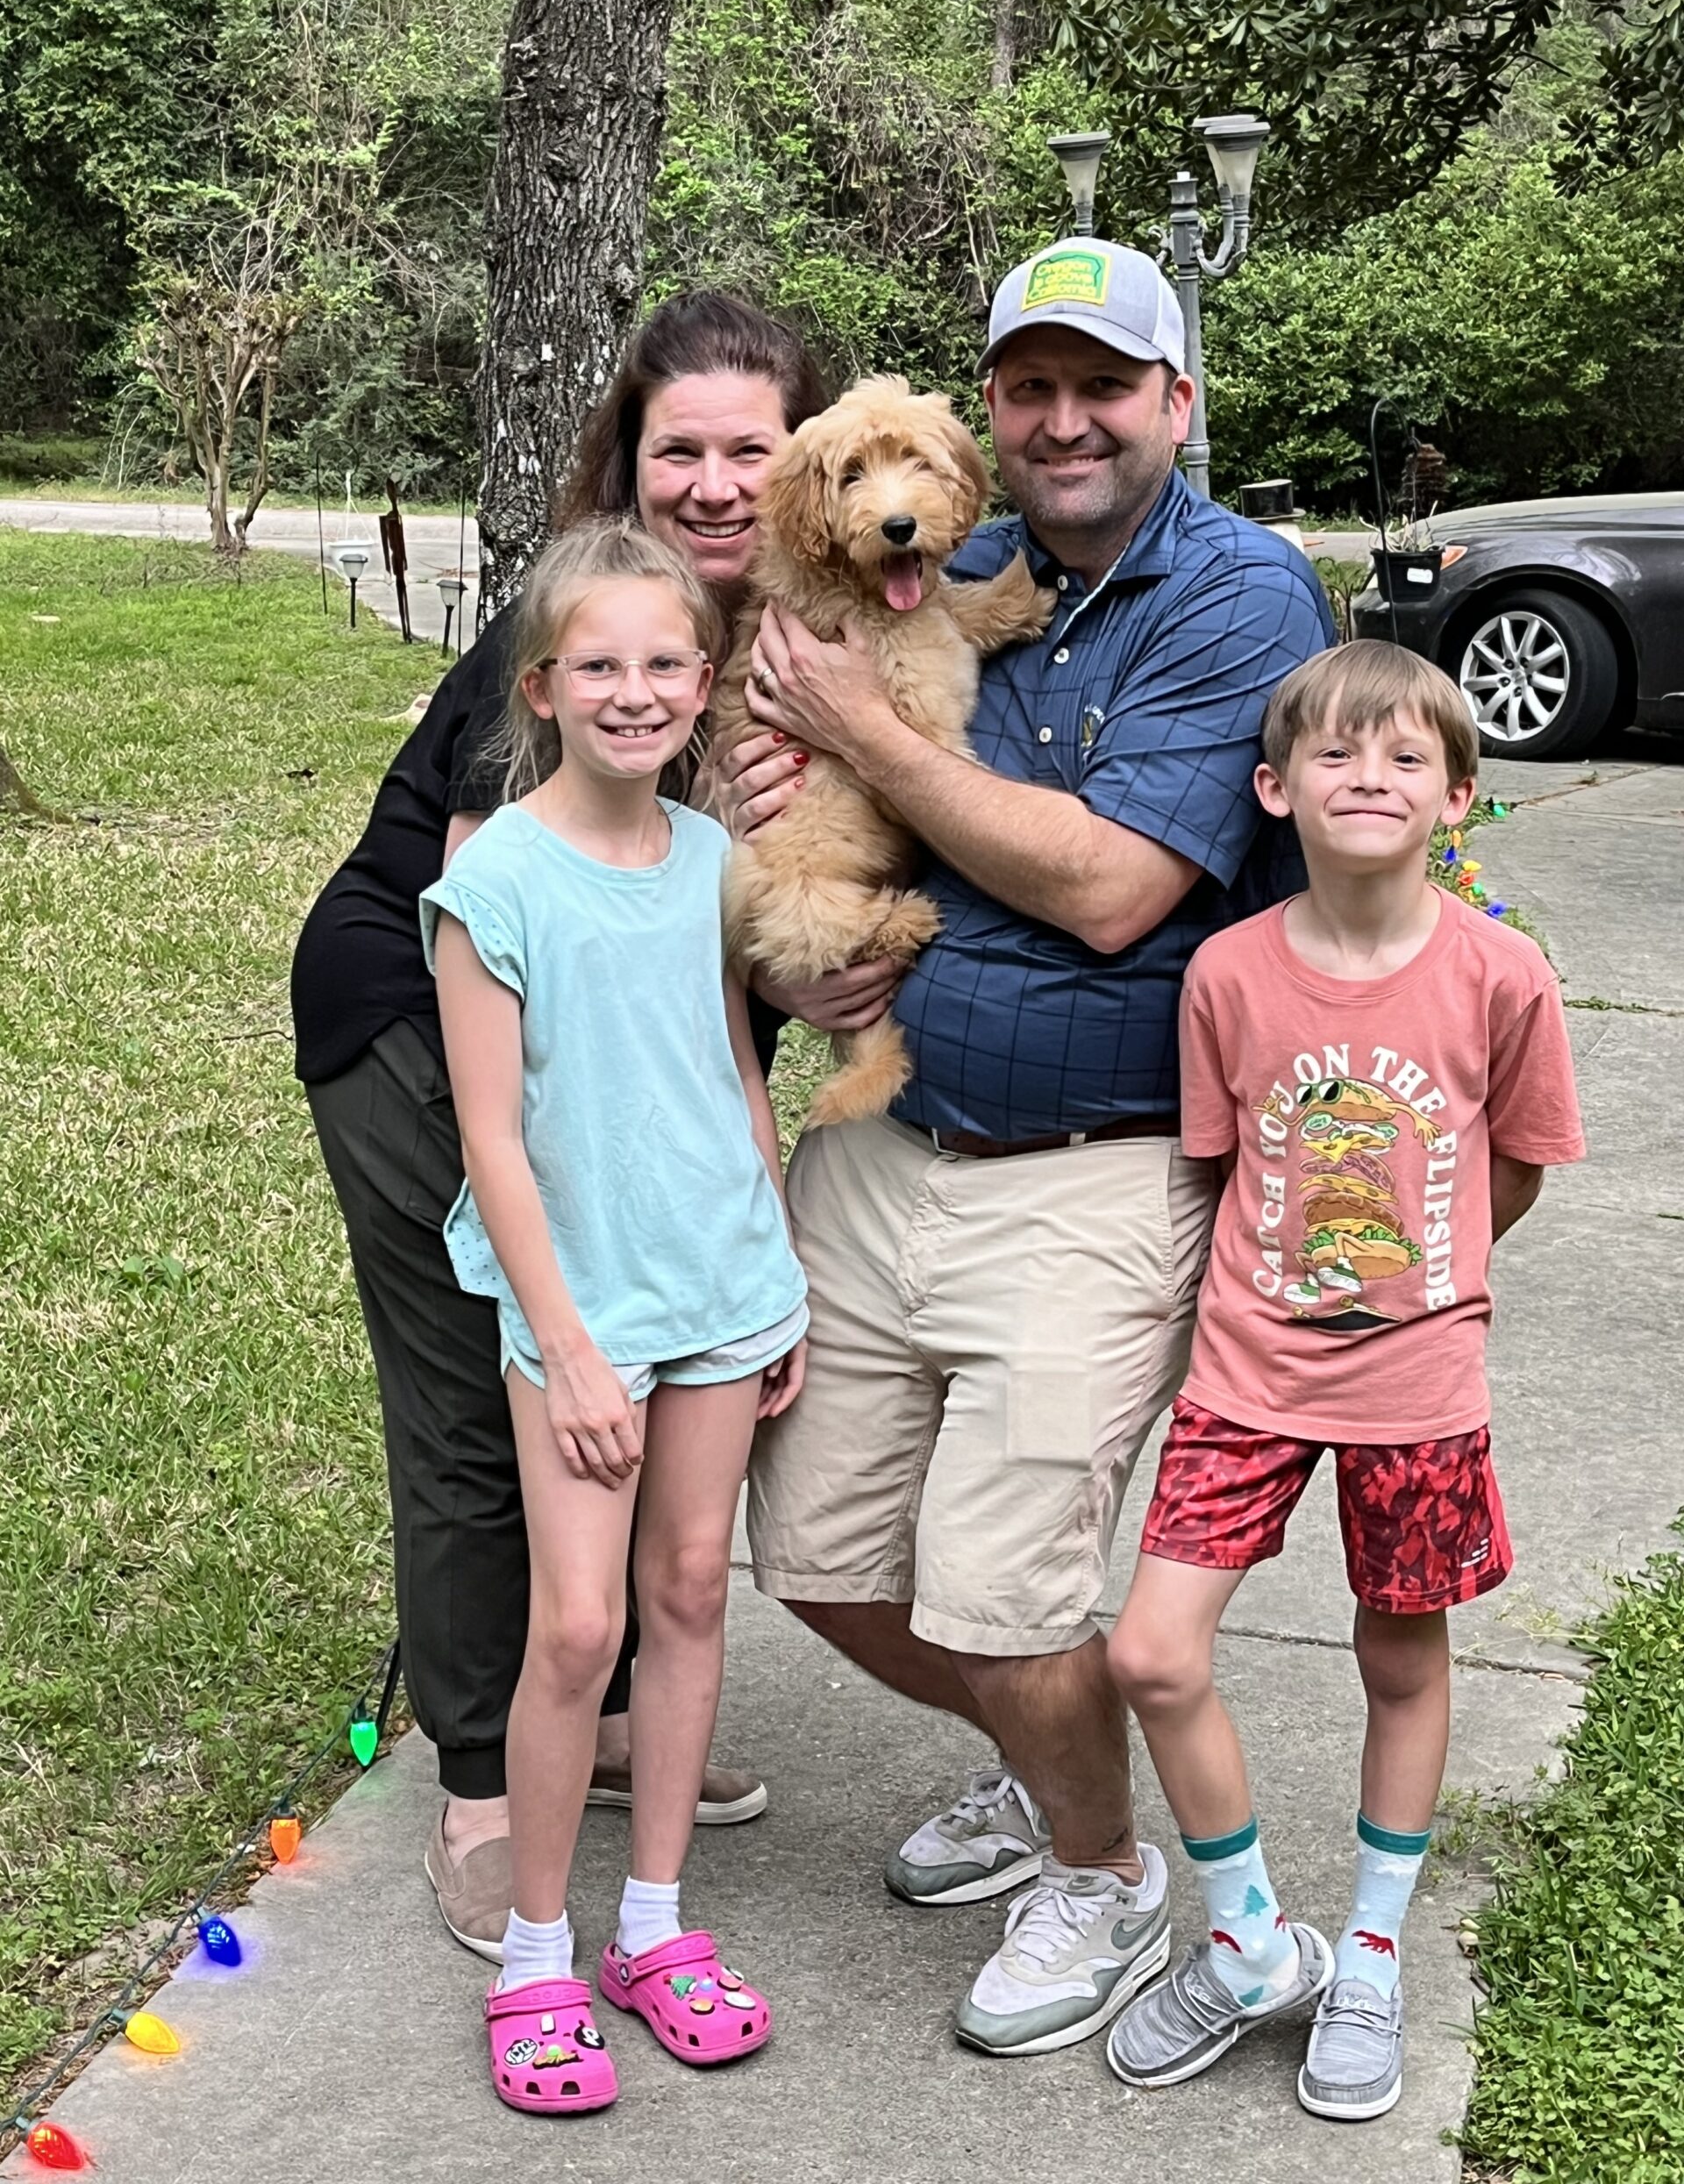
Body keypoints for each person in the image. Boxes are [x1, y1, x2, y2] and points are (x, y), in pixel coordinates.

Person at [720, 237, 1336, 2055]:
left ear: (1175, 402)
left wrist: (858, 737)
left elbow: (1110, 883)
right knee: (819, 1556)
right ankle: (1031, 1755)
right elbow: (794, 747)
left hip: (1100, 1155)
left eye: (1104, 386)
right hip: (893, 1122)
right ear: (988, 414)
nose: (1066, 420)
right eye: (1032, 387)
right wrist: (792, 809)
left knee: (1003, 1589)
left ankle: (1104, 1862)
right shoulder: (954, 563)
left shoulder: (1241, 601)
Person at [290, 292, 838, 1966]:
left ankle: (596, 1730)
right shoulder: (574, 623)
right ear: (632, 458)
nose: (720, 480)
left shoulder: (774, 652)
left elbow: (713, 965)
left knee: (613, 1454)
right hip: (424, 1032)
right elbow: (499, 930)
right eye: (682, 448)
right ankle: (477, 1788)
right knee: (489, 1385)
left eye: (755, 447)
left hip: (638, 1077)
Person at [1104, 641, 1584, 2118]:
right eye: (1334, 755)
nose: (1368, 778)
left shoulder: (1502, 976)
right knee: (1153, 1654)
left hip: (1417, 1395)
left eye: (1403, 759)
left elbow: (1513, 1172)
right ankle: (1254, 1942)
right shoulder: (1227, 974)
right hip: (1244, 1377)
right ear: (1274, 787)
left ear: (1457, 795)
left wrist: (1418, 1277)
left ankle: (1368, 1951)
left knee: (1399, 1655)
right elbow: (1219, 1166)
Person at [424, 516, 807, 2115]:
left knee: (695, 1594)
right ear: (544, 685)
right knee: (581, 1630)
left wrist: (777, 1260)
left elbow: (733, 1067)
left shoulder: (716, 862)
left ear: (702, 686)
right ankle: (536, 1954)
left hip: (722, 1279)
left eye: (665, 665)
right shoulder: (492, 875)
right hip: (580, 1305)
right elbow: (492, 1136)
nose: (636, 693)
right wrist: (567, 1342)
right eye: (602, 666)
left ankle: (652, 1929)